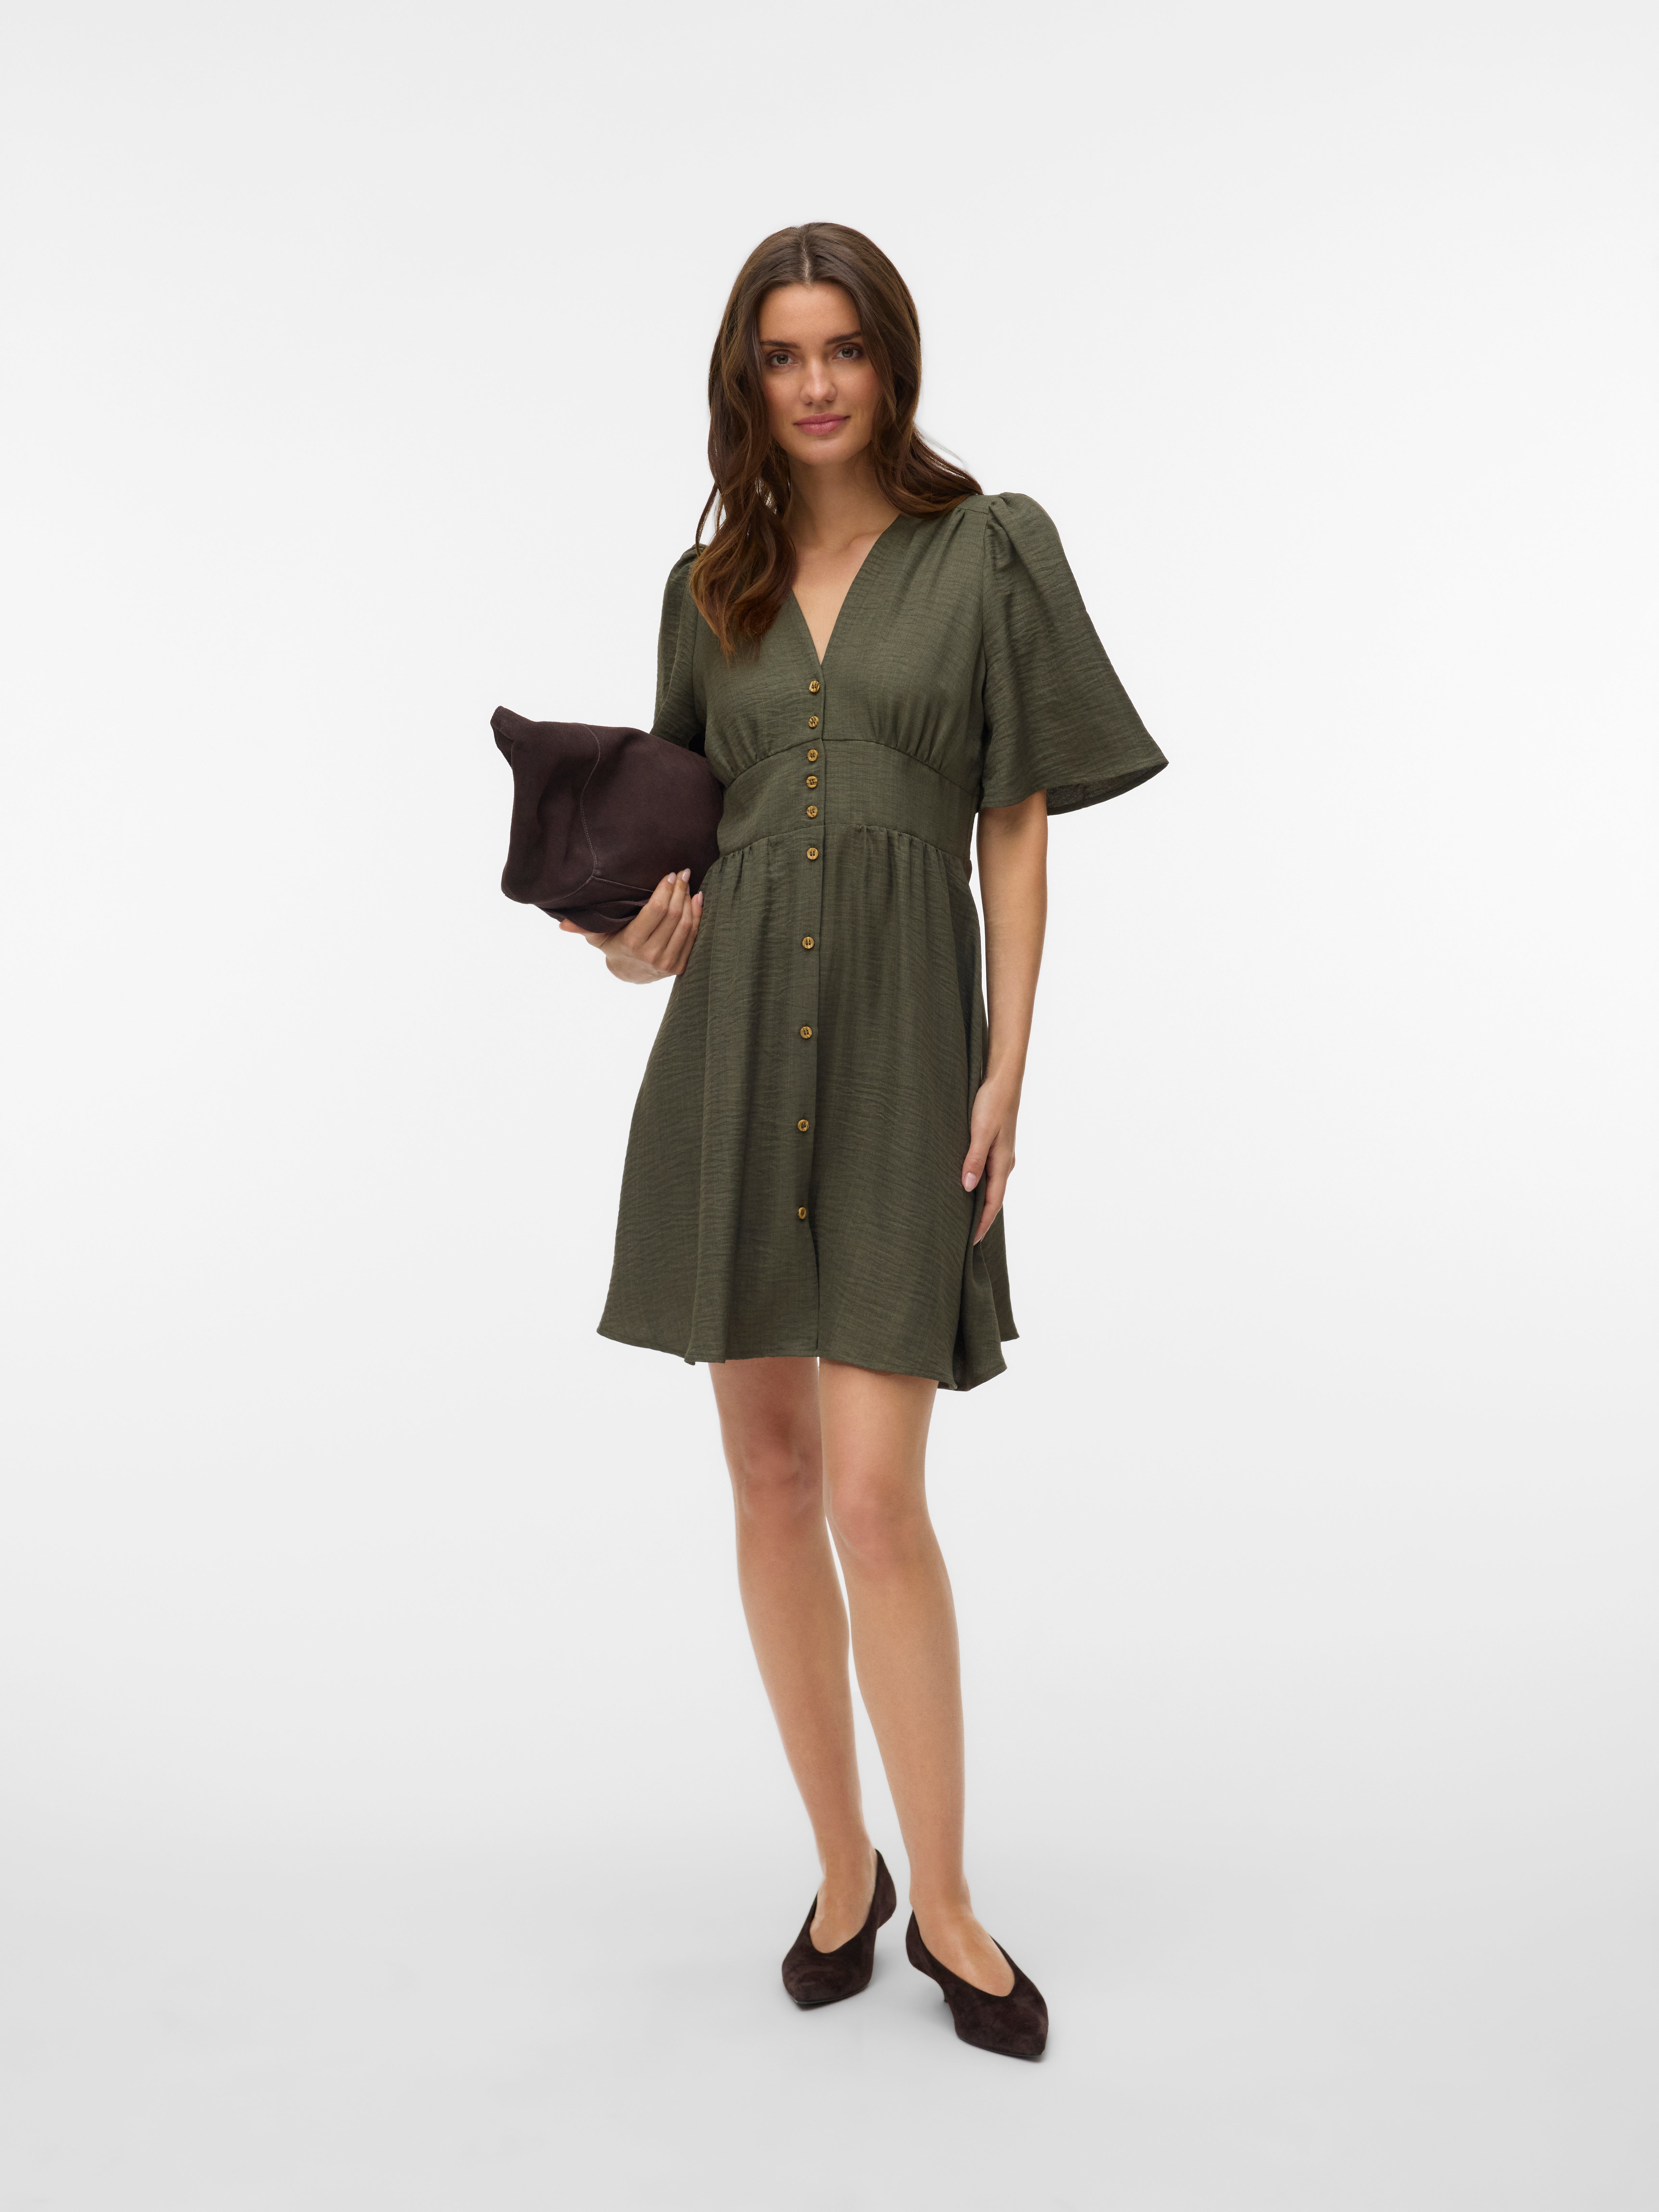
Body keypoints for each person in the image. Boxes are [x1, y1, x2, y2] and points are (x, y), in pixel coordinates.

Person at [559, 223, 1166, 2059]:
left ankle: (950, 1903)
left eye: (844, 348)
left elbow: (1017, 826)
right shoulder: (709, 590)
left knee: (879, 1502)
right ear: (745, 380)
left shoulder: (991, 551)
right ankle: (846, 1873)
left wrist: (1007, 1069)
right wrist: (626, 943)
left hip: (910, 1056)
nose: (815, 383)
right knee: (767, 1480)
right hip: (732, 1054)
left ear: (893, 360)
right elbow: (671, 847)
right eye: (782, 354)